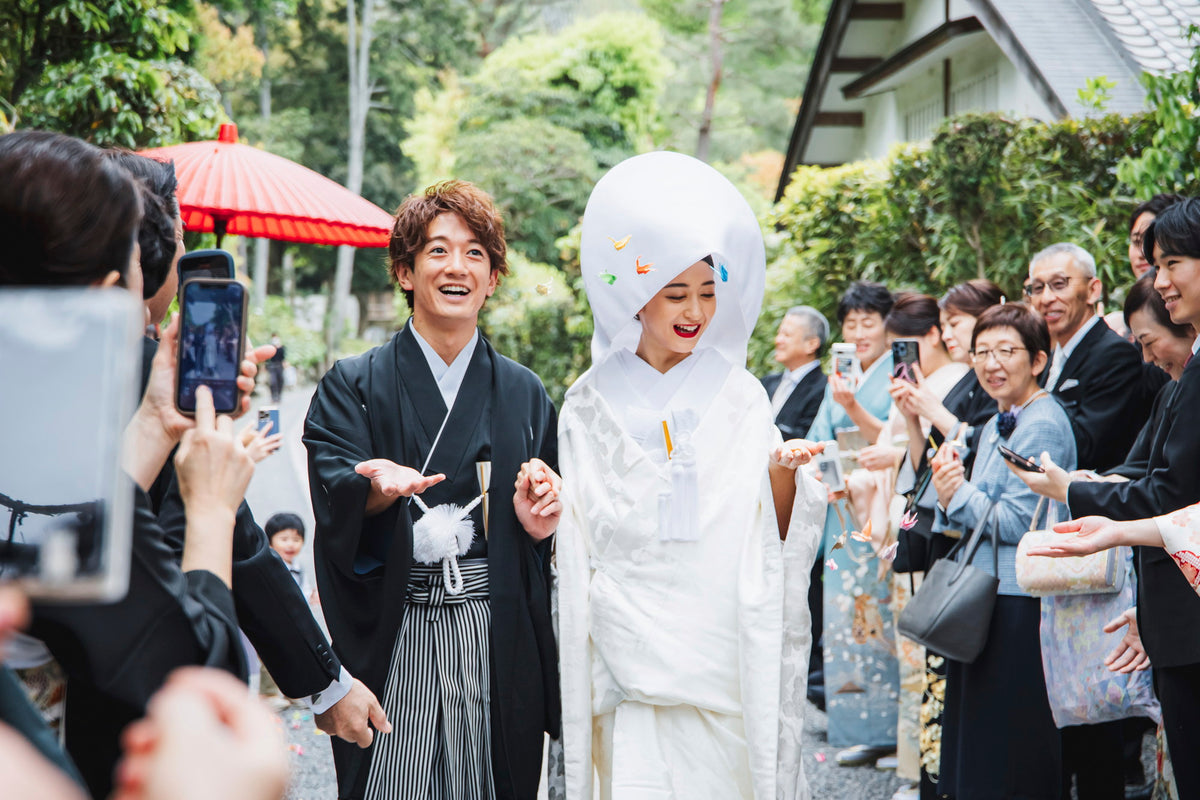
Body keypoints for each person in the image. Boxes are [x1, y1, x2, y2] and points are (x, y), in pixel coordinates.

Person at [0, 129, 267, 797]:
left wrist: (151, 424)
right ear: (110, 290)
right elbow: (198, 678)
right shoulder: (65, 468)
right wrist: (211, 510)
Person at [553, 150, 823, 799]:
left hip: (718, 632)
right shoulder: (588, 401)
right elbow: (578, 527)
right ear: (637, 299)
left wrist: (782, 475)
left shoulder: (742, 395)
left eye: (707, 293)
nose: (694, 310)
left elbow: (767, 524)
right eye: (675, 293)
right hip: (624, 629)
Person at [304, 180, 563, 800]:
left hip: (494, 627)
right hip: (398, 631)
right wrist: (376, 490)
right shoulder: (354, 383)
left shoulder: (524, 392)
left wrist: (541, 520)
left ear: (494, 278)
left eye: (476, 254)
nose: (458, 267)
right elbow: (333, 491)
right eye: (438, 251)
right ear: (405, 271)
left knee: (493, 780)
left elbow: (547, 524)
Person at [1015, 198, 1200, 798]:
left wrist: (1079, 494)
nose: (1160, 281)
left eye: (1172, 262)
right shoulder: (1187, 374)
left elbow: (1171, 493)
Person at [929, 302, 1075, 800]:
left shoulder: (1042, 423)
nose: (991, 363)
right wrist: (954, 496)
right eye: (982, 352)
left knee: (1009, 736)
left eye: (1006, 351)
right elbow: (985, 507)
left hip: (1020, 599)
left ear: (1037, 360)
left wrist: (957, 495)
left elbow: (1018, 522)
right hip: (992, 596)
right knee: (985, 732)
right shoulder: (1000, 420)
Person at [888, 279, 1002, 800]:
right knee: (936, 664)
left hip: (964, 527)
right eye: (950, 324)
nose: (950, 332)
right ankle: (935, 779)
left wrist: (931, 413)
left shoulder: (982, 384)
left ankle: (944, 780)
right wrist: (914, 416)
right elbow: (922, 464)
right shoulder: (963, 382)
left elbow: (975, 447)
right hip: (939, 522)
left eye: (956, 322)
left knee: (948, 663)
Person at [864, 292, 966, 799]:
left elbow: (934, 459)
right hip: (911, 514)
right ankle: (917, 767)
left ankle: (926, 769)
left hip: (932, 522)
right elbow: (913, 458)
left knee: (926, 657)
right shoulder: (931, 383)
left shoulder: (951, 382)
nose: (948, 335)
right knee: (914, 656)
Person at [805, 280, 897, 760]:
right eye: (851, 323)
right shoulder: (841, 376)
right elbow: (820, 436)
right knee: (846, 620)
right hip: (842, 505)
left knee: (880, 617)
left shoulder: (899, 373)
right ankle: (857, 728)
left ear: (888, 327)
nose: (859, 332)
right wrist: (830, 472)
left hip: (880, 506)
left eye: (869, 322)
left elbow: (896, 438)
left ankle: (893, 733)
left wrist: (850, 408)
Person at [1027, 243, 1164, 474]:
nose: (1047, 298)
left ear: (1093, 290)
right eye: (1037, 288)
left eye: (1059, 284)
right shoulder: (1050, 358)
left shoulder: (1114, 354)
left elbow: (1090, 447)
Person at [762, 305, 829, 439]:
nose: (778, 340)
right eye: (779, 333)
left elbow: (806, 436)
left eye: (786, 335)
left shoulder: (826, 388)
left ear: (811, 344)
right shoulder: (766, 382)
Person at [267, 334, 287, 403]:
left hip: (279, 366)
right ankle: (273, 396)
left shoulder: (282, 348)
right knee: (273, 381)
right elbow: (267, 358)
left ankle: (279, 396)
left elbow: (283, 357)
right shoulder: (269, 348)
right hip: (272, 366)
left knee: (280, 381)